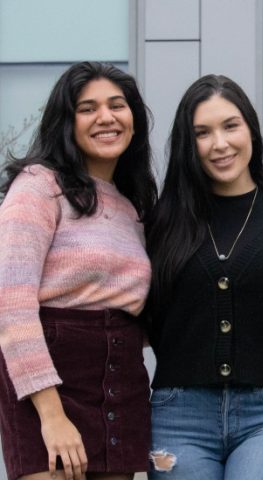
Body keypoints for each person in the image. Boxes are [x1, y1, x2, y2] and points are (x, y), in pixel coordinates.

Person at [144, 74, 263, 479]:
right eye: (202, 133)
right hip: (178, 415)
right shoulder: (162, 220)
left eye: (231, 126)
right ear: (187, 145)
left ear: (251, 129)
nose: (220, 144)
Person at [0, 62, 157, 480]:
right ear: (66, 122)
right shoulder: (37, 186)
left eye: (117, 105)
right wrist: (51, 416)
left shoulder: (134, 205)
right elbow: (11, 307)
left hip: (121, 382)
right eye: (87, 108)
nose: (106, 117)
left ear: (134, 119)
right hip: (46, 388)